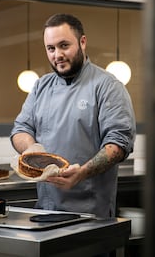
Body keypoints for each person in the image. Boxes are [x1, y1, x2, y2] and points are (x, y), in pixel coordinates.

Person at [10, 13, 136, 218]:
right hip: (46, 210)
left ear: (82, 42)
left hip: (90, 214)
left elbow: (119, 143)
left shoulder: (107, 86)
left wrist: (82, 173)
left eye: (64, 45)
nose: (57, 54)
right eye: (51, 48)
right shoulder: (41, 86)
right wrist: (33, 151)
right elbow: (21, 129)